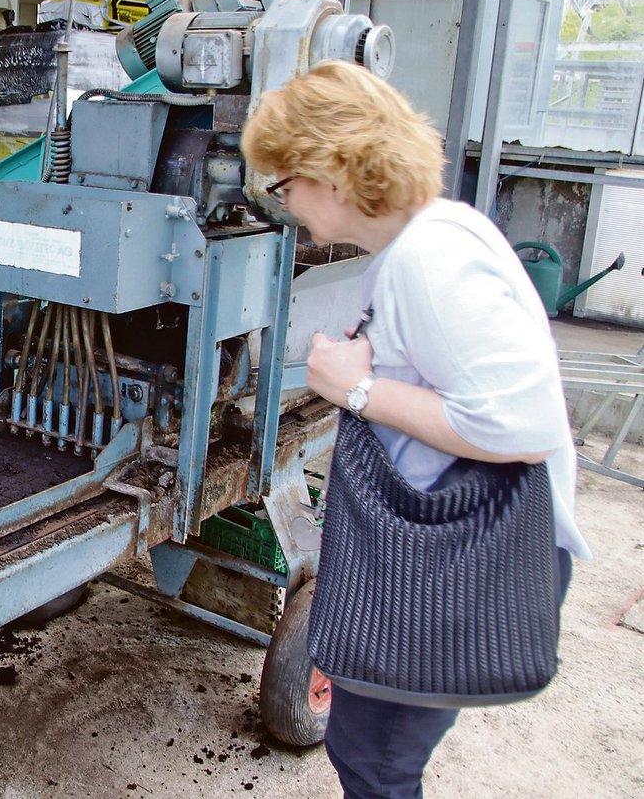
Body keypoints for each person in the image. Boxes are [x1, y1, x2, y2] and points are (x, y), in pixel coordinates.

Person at [241, 60, 590, 799]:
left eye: (284, 184)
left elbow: (520, 427)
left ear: (330, 175)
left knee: (376, 762)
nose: (284, 202)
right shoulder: (428, 239)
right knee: (369, 753)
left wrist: (357, 389)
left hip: (450, 566)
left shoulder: (432, 260)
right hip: (431, 555)